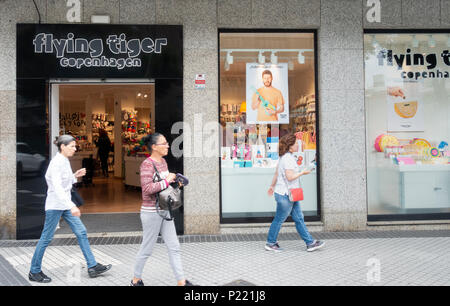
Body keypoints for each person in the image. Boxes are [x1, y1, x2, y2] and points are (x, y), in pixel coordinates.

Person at [29, 135, 112, 283]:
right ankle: (34, 271)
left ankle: (92, 266)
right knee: (46, 238)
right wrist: (72, 206)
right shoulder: (56, 163)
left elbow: (64, 182)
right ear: (62, 146)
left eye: (75, 146)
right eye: (72, 146)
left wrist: (75, 176)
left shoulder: (64, 161)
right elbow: (57, 187)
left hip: (64, 204)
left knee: (81, 231)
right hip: (56, 206)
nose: (75, 148)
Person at [131, 133, 194, 286]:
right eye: (164, 143)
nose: (167, 146)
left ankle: (181, 281)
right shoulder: (147, 164)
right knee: (147, 248)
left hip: (165, 210)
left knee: (174, 246)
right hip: (151, 212)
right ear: (154, 147)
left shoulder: (163, 162)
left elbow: (164, 188)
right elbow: (147, 189)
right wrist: (167, 180)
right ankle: (135, 280)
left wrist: (175, 184)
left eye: (167, 143)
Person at [266, 133, 325, 252]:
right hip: (286, 196)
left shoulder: (285, 157)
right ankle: (270, 242)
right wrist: (303, 173)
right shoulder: (287, 159)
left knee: (299, 218)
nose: (298, 145)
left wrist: (272, 186)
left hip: (290, 194)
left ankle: (310, 243)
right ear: (289, 145)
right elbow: (290, 177)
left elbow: (277, 174)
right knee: (279, 219)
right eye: (295, 143)